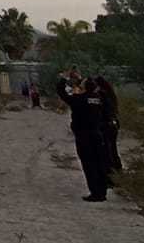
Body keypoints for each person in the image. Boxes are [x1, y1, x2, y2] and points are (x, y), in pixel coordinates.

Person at [55, 70, 108, 202]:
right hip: (97, 134)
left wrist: (64, 79)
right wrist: (82, 81)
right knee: (99, 163)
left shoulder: (78, 100)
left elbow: (62, 93)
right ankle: (102, 191)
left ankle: (95, 193)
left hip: (84, 136)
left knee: (89, 164)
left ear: (83, 88)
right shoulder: (98, 98)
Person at [95, 76, 124, 177]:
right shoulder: (109, 94)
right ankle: (118, 170)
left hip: (107, 125)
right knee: (112, 149)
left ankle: (112, 173)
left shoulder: (103, 96)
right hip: (113, 125)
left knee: (108, 151)